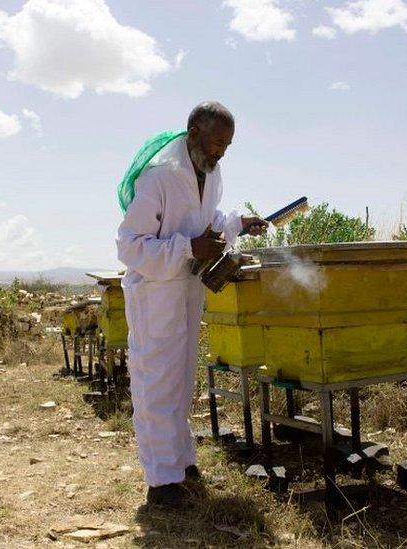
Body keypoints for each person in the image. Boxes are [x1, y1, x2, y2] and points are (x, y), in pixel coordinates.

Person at [116, 101, 267, 507]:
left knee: (180, 380)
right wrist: (188, 248)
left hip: (186, 290)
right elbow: (129, 246)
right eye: (218, 142)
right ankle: (161, 482)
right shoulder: (159, 177)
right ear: (194, 133)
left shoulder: (211, 175)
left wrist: (236, 224)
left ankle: (180, 463)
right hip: (155, 294)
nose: (222, 152)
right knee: (156, 382)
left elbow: (205, 223)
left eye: (228, 146)